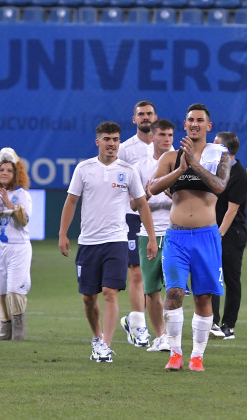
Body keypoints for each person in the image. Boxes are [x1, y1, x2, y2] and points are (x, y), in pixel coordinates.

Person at [59, 121, 157, 363]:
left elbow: (142, 204)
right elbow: (71, 201)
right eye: (107, 139)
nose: (112, 144)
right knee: (88, 297)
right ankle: (97, 336)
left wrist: (152, 237)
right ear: (98, 142)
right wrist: (63, 234)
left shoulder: (128, 170)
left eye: (115, 140)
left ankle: (105, 345)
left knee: (110, 292)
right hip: (88, 242)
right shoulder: (84, 169)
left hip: (116, 240)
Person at [149, 103, 231, 372]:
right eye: (190, 120)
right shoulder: (170, 157)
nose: (194, 124)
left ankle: (197, 355)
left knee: (203, 297)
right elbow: (152, 187)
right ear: (184, 125)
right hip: (176, 237)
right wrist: (180, 168)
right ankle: (175, 353)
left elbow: (219, 186)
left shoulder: (221, 155)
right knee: (173, 292)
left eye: (200, 120)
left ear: (208, 126)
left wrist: (194, 165)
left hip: (207, 236)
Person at [117, 101, 158, 348]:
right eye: (141, 114)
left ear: (156, 116)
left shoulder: (166, 146)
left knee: (153, 274)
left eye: (149, 114)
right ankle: (139, 325)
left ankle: (135, 319)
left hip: (160, 217)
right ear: (134, 120)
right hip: (131, 216)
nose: (145, 117)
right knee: (136, 269)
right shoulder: (125, 149)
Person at [133, 119, 175, 353]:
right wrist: (148, 193)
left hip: (174, 232)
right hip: (148, 233)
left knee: (174, 287)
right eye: (161, 135)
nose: (166, 139)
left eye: (169, 135)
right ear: (152, 138)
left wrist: (169, 191)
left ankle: (172, 335)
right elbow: (132, 204)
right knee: (150, 289)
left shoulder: (182, 163)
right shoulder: (140, 167)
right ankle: (160, 336)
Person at [0, 147, 32, 341]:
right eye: (1, 170)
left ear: (16, 174)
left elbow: (23, 221)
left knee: (15, 287)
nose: (4, 173)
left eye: (9, 170)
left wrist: (9, 204)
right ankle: (4, 328)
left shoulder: (22, 195)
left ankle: (18, 328)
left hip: (18, 247)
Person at [210, 132, 247, 340]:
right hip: (214, 230)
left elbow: (232, 210)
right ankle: (213, 322)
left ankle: (229, 325)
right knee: (213, 277)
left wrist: (219, 234)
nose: (211, 148)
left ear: (225, 150)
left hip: (231, 233)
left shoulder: (239, 175)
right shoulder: (215, 170)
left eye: (215, 145)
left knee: (231, 279)